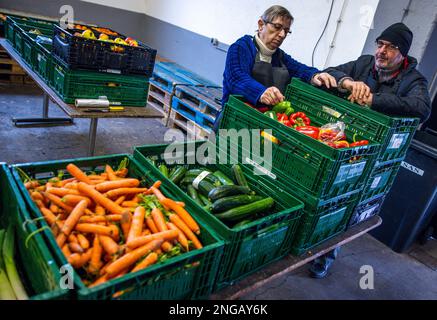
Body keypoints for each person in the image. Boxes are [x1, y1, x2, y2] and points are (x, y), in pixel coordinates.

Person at [309, 22, 432, 279]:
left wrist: (373, 99)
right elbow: (329, 71)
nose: (382, 51)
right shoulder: (364, 63)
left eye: (391, 47)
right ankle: (310, 241)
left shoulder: (413, 79)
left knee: (348, 204)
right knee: (325, 196)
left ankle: (326, 255)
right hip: (343, 142)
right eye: (380, 44)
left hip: (376, 155)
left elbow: (422, 108)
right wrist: (345, 82)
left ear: (403, 54)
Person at [219, 5, 337, 120]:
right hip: (233, 119)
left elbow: (299, 68)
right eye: (277, 27)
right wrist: (261, 92)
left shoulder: (279, 56)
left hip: (263, 121)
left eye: (286, 31)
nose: (282, 35)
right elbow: (236, 78)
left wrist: (315, 75)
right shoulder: (241, 47)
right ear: (261, 25)